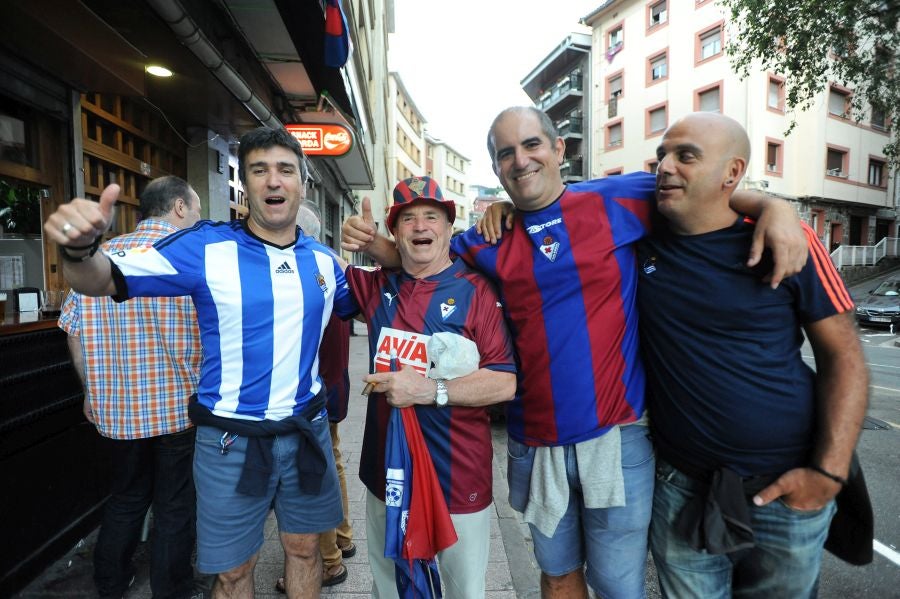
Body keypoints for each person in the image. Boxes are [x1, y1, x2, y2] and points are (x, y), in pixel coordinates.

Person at [342, 106, 808, 599]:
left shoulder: (618, 198)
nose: (520, 161)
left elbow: (701, 195)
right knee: (557, 576)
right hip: (535, 442)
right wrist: (377, 246)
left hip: (616, 436)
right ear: (497, 169)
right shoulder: (486, 237)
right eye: (506, 154)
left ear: (559, 148)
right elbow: (425, 260)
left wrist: (777, 208)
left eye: (531, 145)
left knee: (617, 586)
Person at [44, 127, 357, 599]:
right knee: (232, 573)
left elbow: (384, 301)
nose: (273, 181)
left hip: (304, 432)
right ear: (245, 186)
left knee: (306, 551)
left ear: (302, 186)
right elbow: (102, 280)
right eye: (259, 170)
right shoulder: (204, 248)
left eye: (285, 170)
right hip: (229, 439)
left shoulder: (325, 262)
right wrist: (78, 249)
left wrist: (382, 248)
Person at [638, 112, 869, 597]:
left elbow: (844, 359)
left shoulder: (788, 243)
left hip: (787, 489)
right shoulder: (639, 234)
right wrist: (503, 212)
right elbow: (554, 196)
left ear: (731, 172)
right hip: (683, 485)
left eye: (686, 156)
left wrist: (827, 475)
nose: (665, 166)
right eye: (662, 154)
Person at [345, 176, 517, 598]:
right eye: (408, 219)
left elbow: (504, 382)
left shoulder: (477, 290)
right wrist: (362, 242)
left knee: (463, 591)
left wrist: (429, 390)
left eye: (431, 216)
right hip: (386, 475)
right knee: (391, 588)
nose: (421, 226)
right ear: (394, 232)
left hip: (458, 478)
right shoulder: (374, 286)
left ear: (448, 227)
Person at [59, 176, 202, 599]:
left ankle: (110, 582)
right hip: (178, 408)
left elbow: (72, 329)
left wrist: (91, 390)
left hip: (116, 412)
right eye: (194, 210)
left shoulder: (98, 256)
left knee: (125, 498)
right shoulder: (188, 256)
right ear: (179, 206)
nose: (196, 219)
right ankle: (172, 590)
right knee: (175, 507)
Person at [273, 204, 355, 592]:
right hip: (335, 384)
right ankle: (343, 535)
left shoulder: (307, 271)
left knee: (312, 477)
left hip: (314, 395)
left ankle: (329, 562)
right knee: (332, 463)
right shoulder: (332, 265)